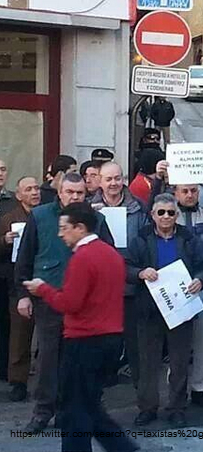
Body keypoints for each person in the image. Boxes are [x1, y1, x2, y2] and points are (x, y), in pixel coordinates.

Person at [23, 202, 137, 452]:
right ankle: (124, 448)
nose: (60, 233)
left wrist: (43, 289)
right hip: (111, 338)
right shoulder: (111, 254)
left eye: (64, 228)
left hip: (85, 341)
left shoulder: (82, 258)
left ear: (80, 228)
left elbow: (70, 303)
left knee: (75, 408)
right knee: (89, 405)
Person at [14, 173, 114, 434]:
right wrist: (23, 294)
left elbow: (109, 255)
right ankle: (43, 411)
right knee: (48, 358)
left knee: (77, 361)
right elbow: (25, 256)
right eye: (69, 192)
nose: (74, 197)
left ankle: (70, 410)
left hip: (85, 304)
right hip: (49, 298)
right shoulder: (40, 216)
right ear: (59, 192)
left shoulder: (96, 220)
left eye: (80, 193)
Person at [126, 194, 203, 428]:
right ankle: (147, 407)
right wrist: (140, 273)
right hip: (149, 309)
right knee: (147, 362)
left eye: (170, 212)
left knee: (180, 362)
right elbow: (126, 267)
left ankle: (177, 407)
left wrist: (199, 280)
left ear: (176, 215)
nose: (166, 217)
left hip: (181, 308)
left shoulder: (188, 237)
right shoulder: (140, 238)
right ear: (152, 215)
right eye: (161, 212)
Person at [88, 162, 149, 387]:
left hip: (131, 280)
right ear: (100, 182)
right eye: (108, 179)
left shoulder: (139, 207)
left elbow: (145, 239)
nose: (113, 183)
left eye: (117, 178)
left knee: (135, 339)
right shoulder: (87, 208)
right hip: (100, 283)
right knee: (103, 336)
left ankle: (140, 387)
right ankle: (102, 380)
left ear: (123, 179)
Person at [171, 183, 203, 409]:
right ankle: (176, 389)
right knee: (177, 342)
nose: (190, 195)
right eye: (184, 191)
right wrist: (159, 179)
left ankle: (201, 388)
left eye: (193, 190)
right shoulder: (167, 214)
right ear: (175, 193)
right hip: (175, 285)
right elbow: (148, 208)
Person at [0, 176, 39, 401]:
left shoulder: (46, 215)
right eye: (28, 189)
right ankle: (18, 381)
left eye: (36, 188)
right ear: (19, 195)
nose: (34, 192)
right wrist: (4, 240)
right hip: (18, 281)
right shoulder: (8, 219)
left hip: (44, 278)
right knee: (20, 334)